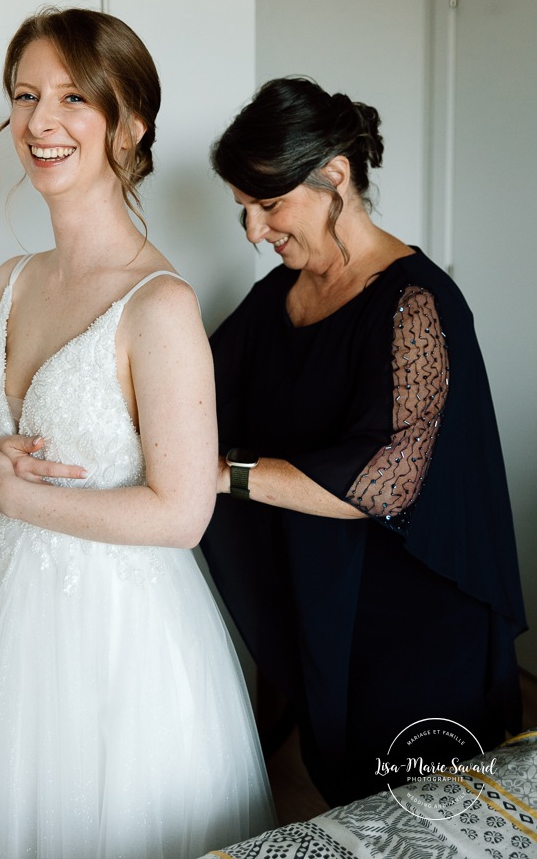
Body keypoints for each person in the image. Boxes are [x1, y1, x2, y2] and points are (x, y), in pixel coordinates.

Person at [0, 8, 274, 858]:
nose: (40, 122)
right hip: (5, 607)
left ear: (129, 123)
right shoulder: (9, 280)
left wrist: (11, 495)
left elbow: (183, 514)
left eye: (74, 97)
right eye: (25, 95)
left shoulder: (159, 304)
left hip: (117, 629)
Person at [200, 76, 527, 807]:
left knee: (420, 804)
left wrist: (222, 474)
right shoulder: (273, 300)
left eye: (269, 203)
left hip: (415, 614)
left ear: (335, 175)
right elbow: (192, 393)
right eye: (243, 210)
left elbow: (386, 480)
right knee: (346, 796)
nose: (254, 231)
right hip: (324, 595)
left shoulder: (417, 302)